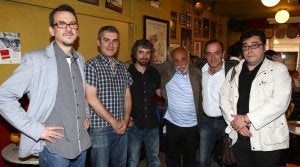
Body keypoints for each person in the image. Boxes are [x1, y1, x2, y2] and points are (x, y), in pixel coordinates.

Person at [0, 4, 91, 167]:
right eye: (61, 24)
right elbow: (3, 97)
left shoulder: (81, 60)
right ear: (51, 30)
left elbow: (82, 94)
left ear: (77, 29)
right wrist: (37, 130)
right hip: (55, 150)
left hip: (82, 145)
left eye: (72, 24)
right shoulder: (36, 60)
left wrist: (86, 113)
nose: (68, 28)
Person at [219, 28, 291, 167]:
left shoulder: (278, 70)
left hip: (267, 140)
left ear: (264, 47)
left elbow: (279, 102)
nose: (249, 50)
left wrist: (246, 118)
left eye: (254, 45)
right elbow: (223, 97)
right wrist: (236, 123)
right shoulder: (235, 71)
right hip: (240, 136)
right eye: (245, 46)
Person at [85, 25, 132, 167]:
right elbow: (91, 99)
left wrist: (126, 118)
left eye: (115, 41)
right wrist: (114, 122)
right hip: (100, 129)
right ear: (99, 42)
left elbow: (127, 96)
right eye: (106, 40)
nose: (111, 45)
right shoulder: (91, 65)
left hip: (122, 127)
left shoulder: (122, 66)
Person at [161, 47, 202, 167]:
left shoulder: (198, 74)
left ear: (188, 58)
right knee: (172, 157)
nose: (180, 64)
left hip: (192, 125)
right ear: (172, 62)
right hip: (172, 123)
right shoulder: (167, 72)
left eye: (183, 59)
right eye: (176, 61)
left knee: (190, 157)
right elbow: (150, 66)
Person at [198, 39, 234, 167]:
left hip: (227, 122)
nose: (213, 57)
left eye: (217, 53)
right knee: (203, 161)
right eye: (209, 53)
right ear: (205, 55)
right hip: (206, 123)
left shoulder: (233, 71)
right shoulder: (199, 70)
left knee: (226, 160)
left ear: (223, 53)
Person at [127, 39, 161, 167]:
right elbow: (120, 98)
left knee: (154, 159)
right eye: (141, 52)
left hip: (152, 124)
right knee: (133, 160)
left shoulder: (155, 73)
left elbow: (158, 96)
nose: (144, 56)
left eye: (148, 52)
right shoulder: (127, 72)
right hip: (133, 124)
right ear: (135, 54)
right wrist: (125, 117)